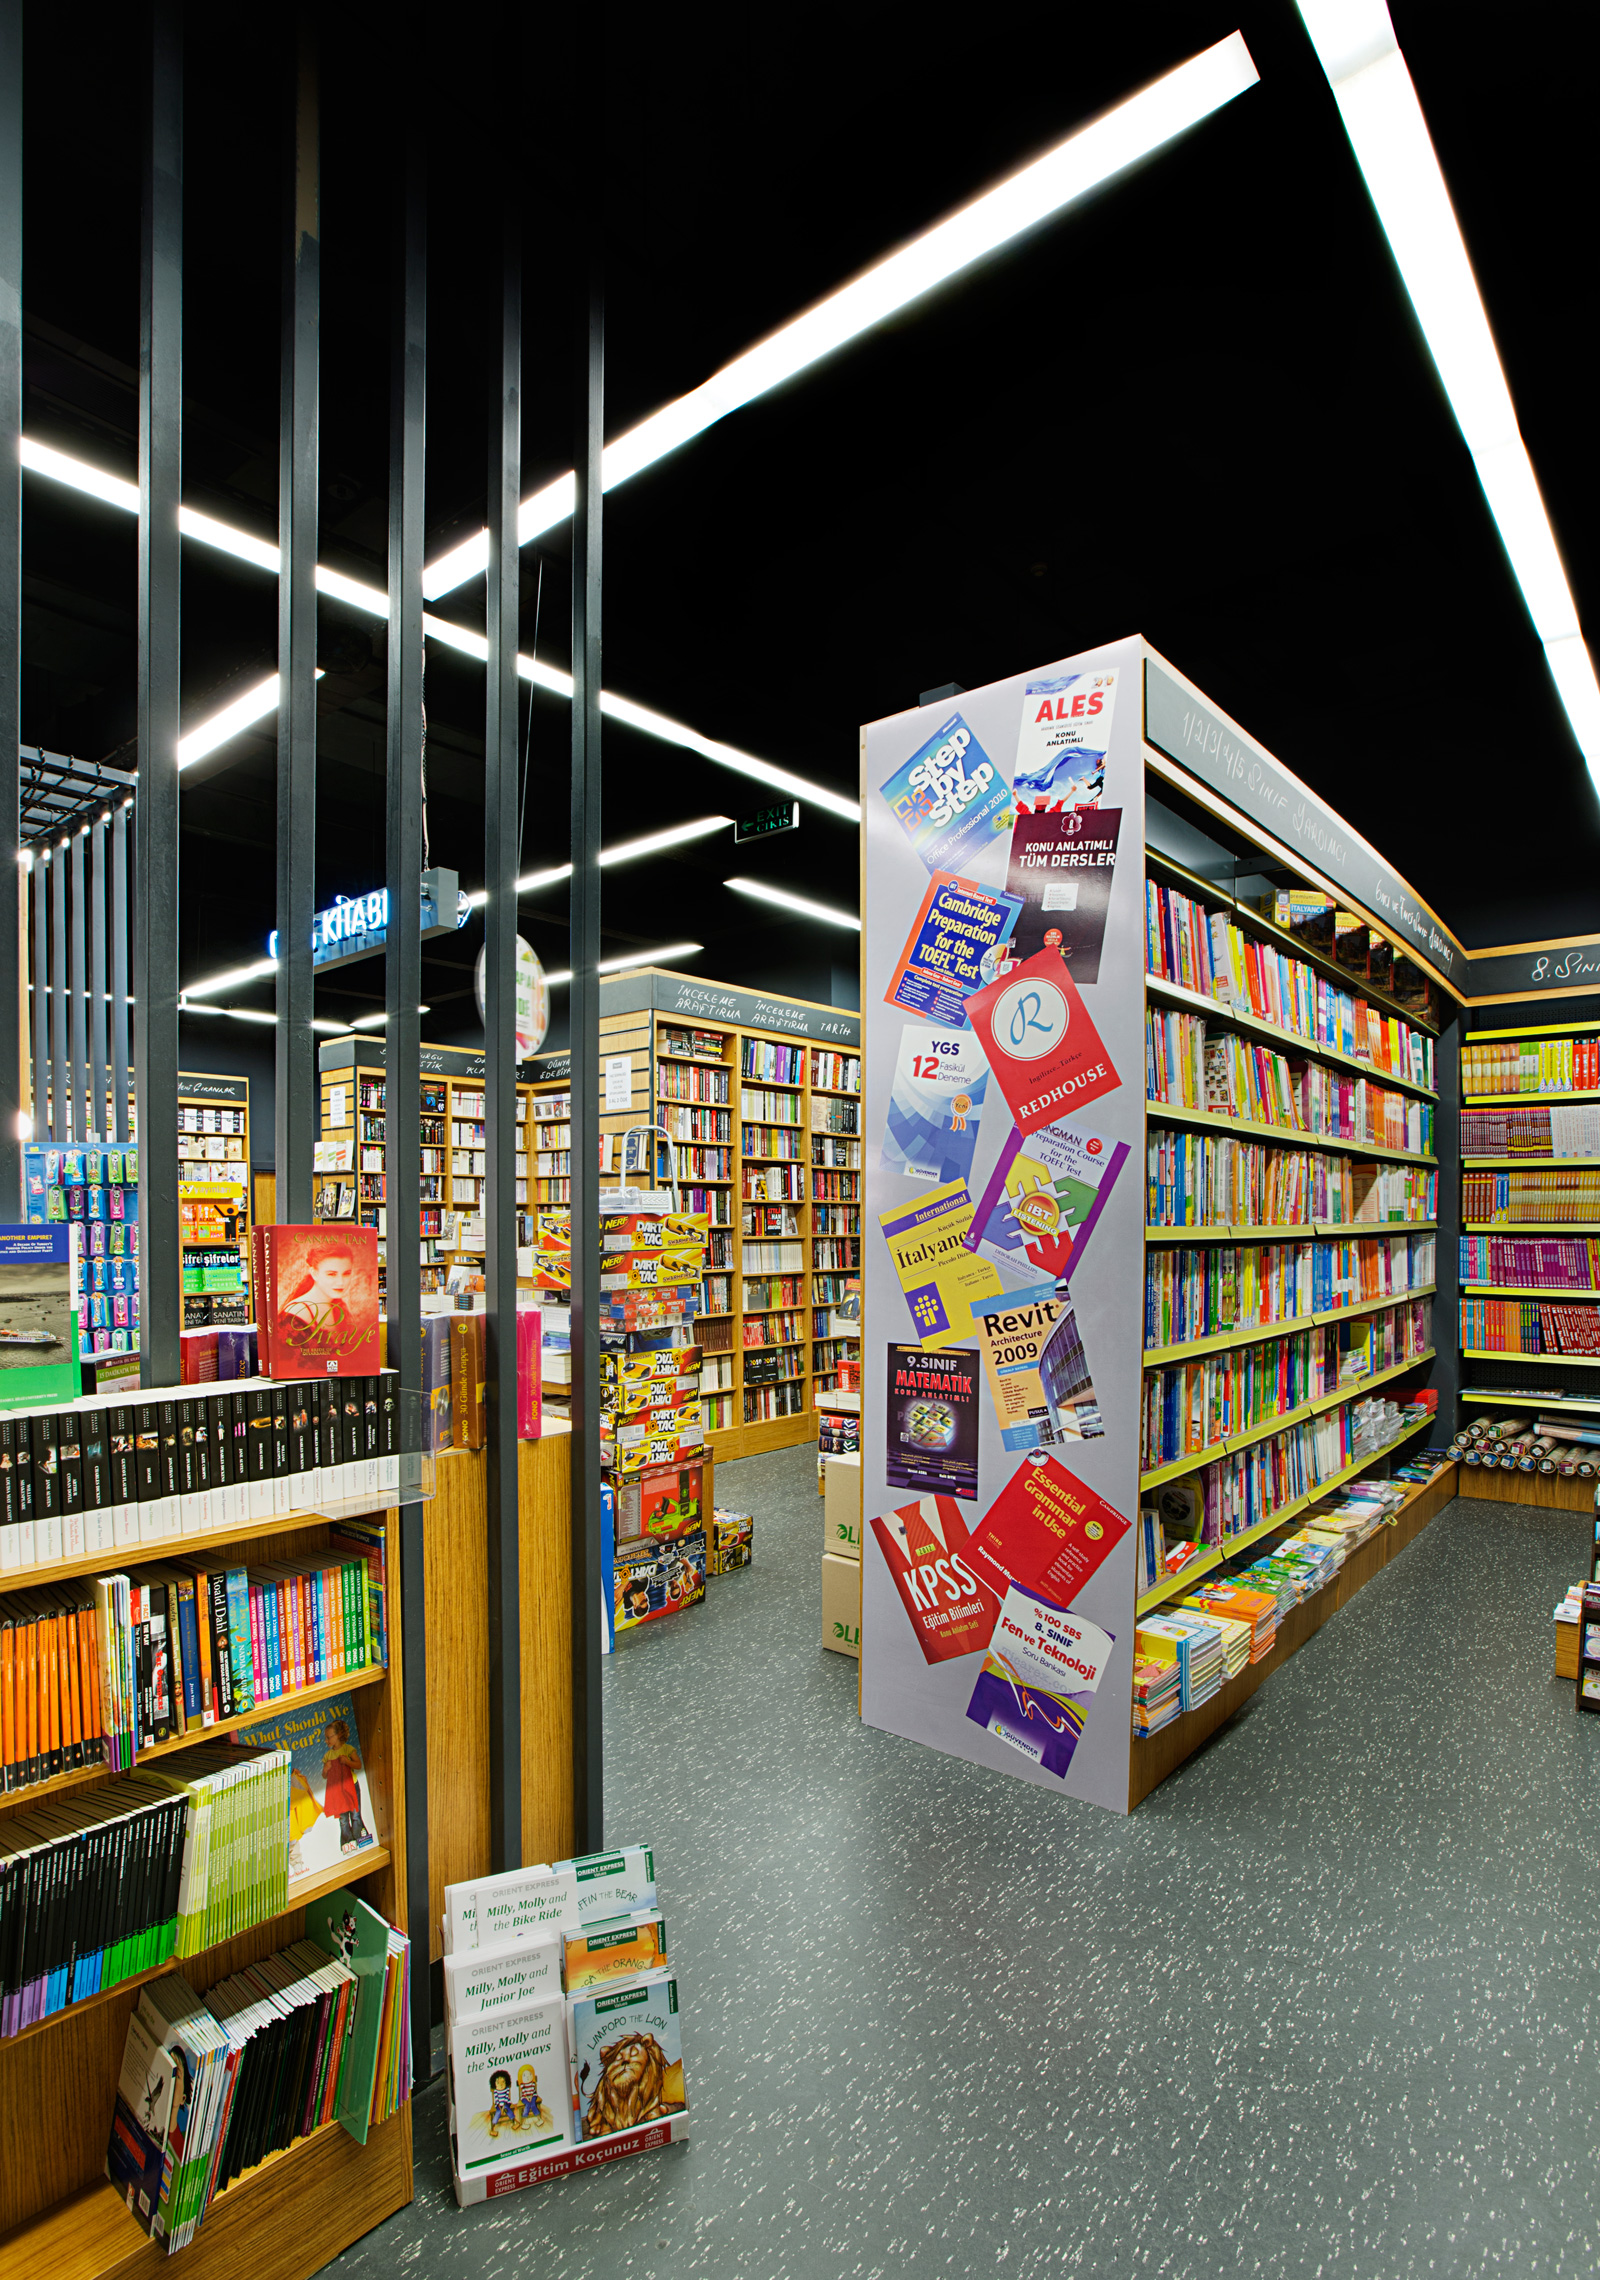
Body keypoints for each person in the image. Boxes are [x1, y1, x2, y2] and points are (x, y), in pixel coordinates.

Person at [275, 1238, 367, 1364]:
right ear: (314, 1273)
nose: (341, 1282)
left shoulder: (339, 1306)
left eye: (346, 1273)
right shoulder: (295, 1314)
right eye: (331, 1274)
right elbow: (287, 1364)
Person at [321, 1717, 371, 1854]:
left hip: (351, 1786)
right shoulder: (328, 1755)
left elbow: (358, 1765)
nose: (326, 1741)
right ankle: (347, 1842)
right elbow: (324, 1776)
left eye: (328, 1737)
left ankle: (360, 1838)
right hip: (338, 1791)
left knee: (355, 1814)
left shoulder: (348, 1749)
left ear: (338, 1735)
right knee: (343, 1819)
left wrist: (347, 1762)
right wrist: (326, 1769)